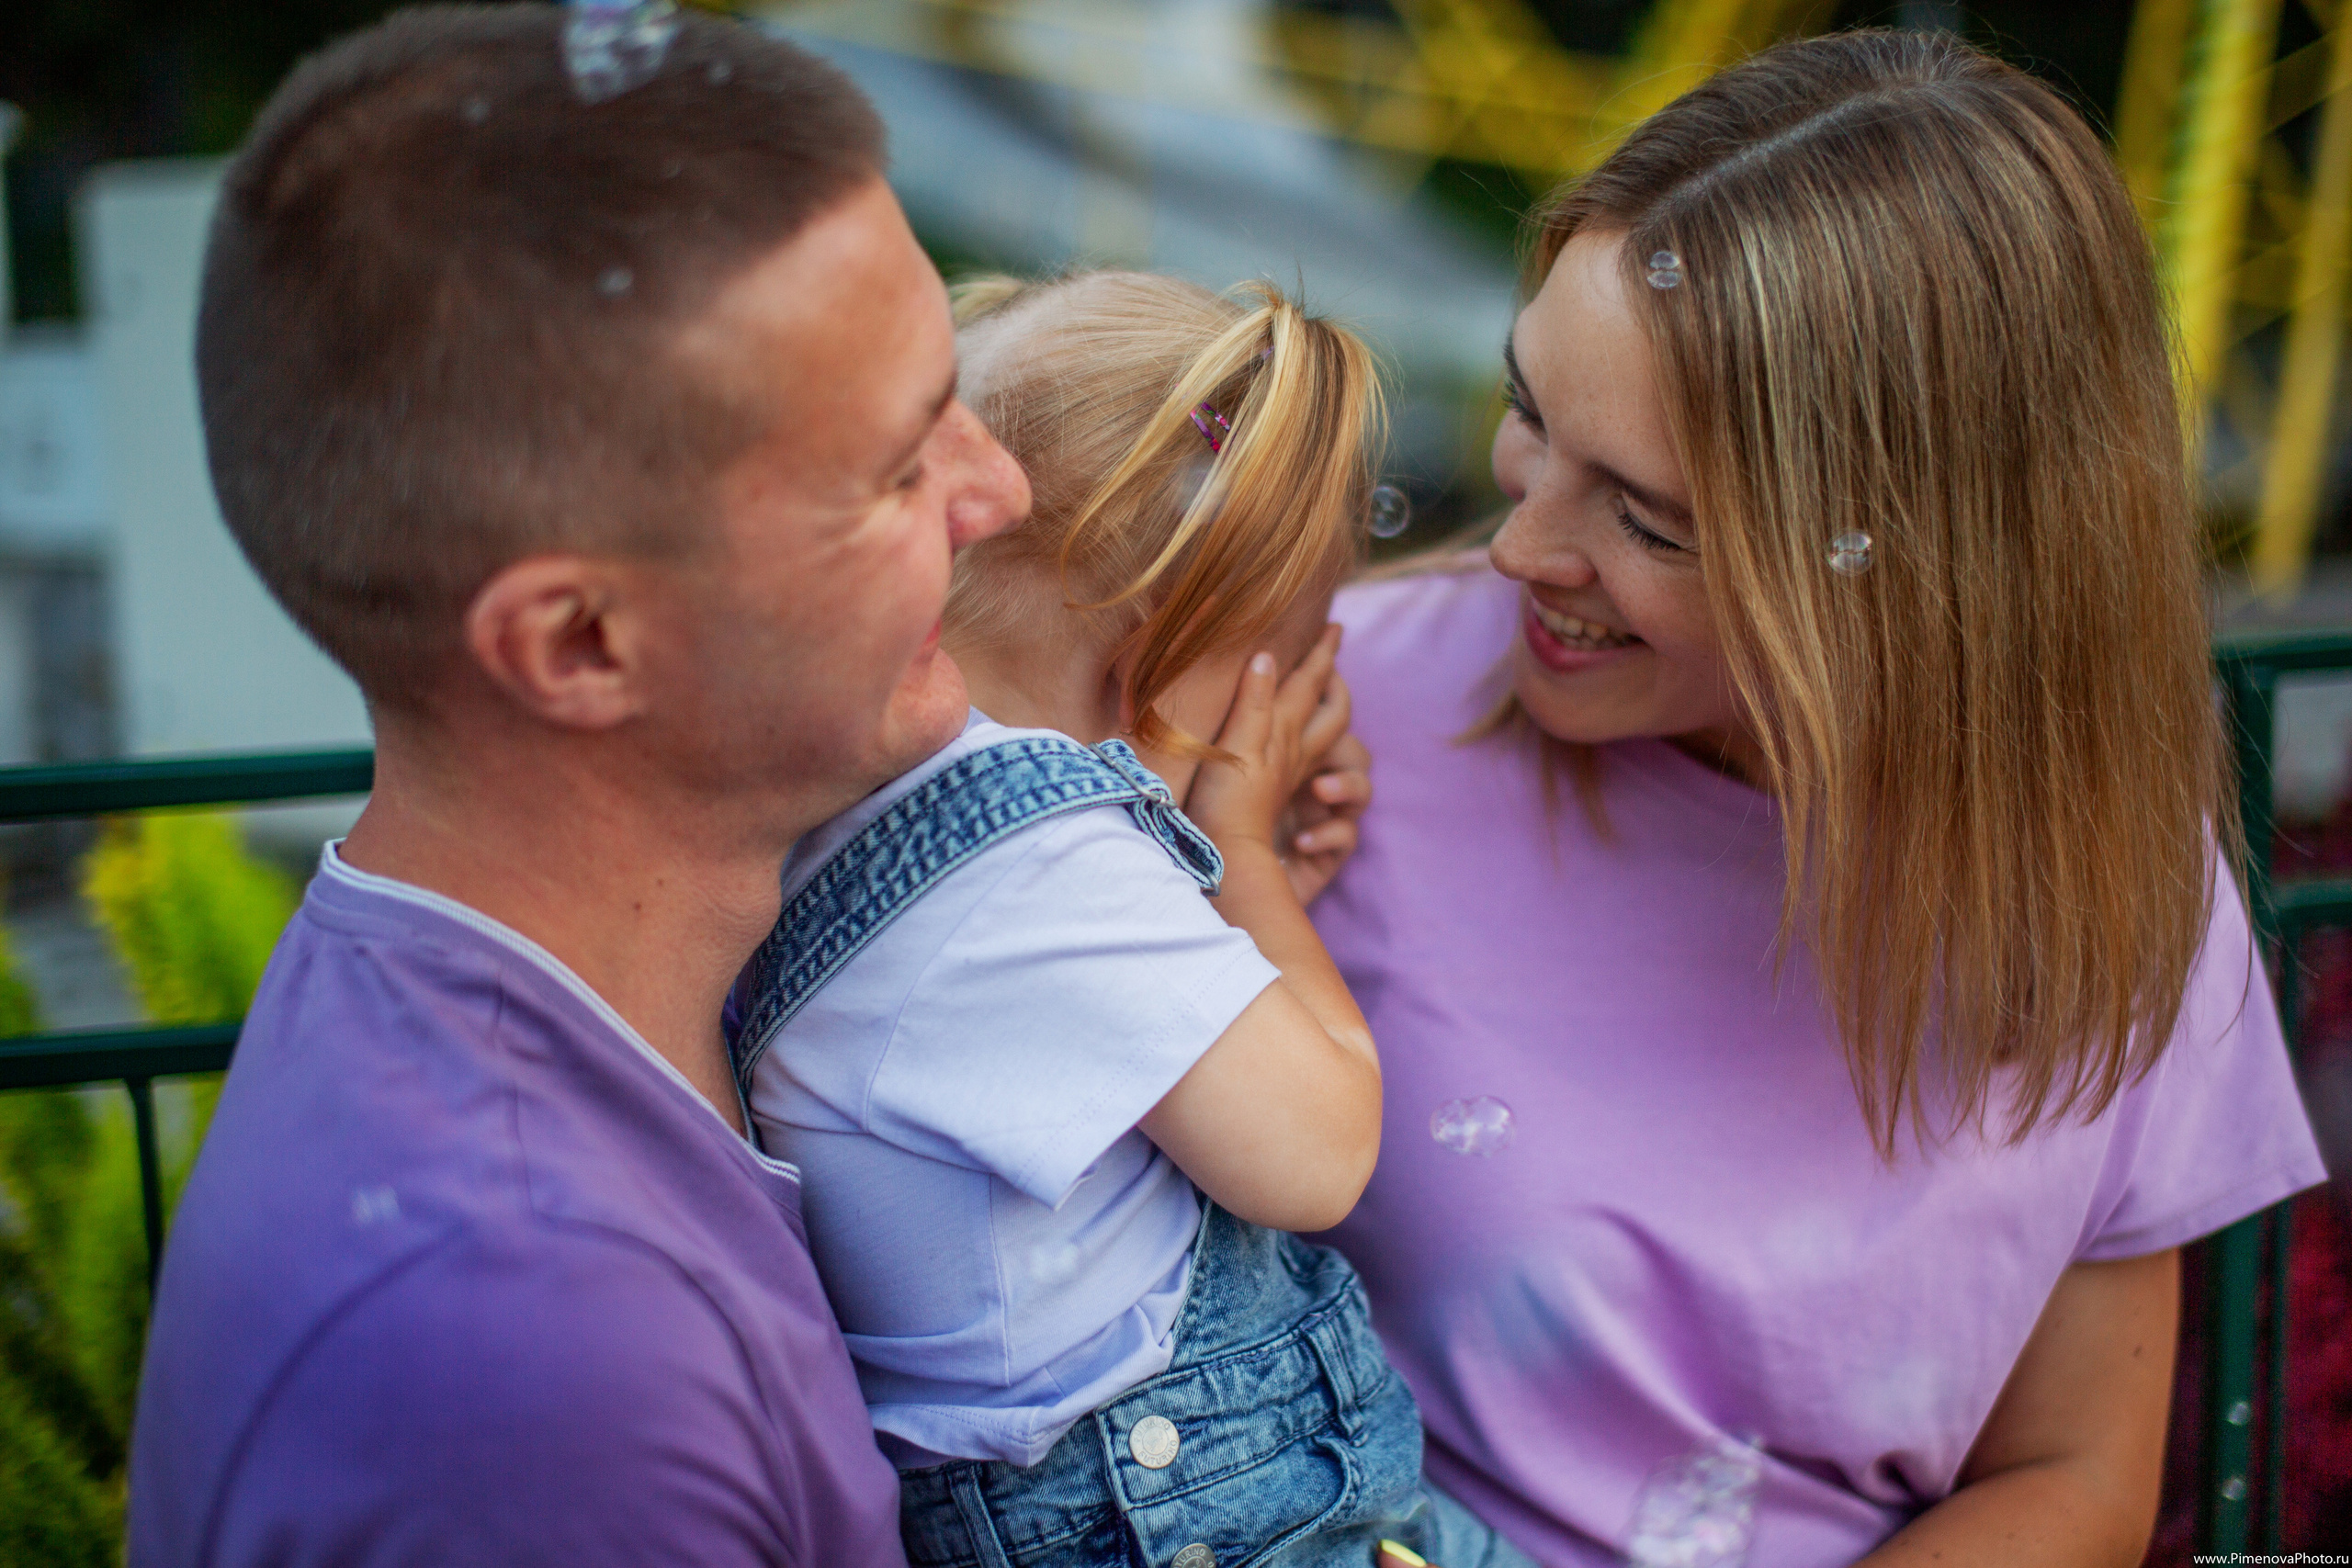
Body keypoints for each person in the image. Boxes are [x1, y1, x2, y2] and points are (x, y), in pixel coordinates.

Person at [1308, 29, 2328, 1568]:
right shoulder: (1328, 721)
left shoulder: (2123, 884)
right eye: (1530, 415)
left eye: (1649, 519)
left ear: (1915, 573)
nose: (1521, 549)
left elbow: (2072, 1482)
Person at [126, 7, 1029, 1564]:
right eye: (896, 468)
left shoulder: (522, 993)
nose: (998, 488)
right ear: (581, 642)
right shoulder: (536, 1356)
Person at [736, 271, 1524, 1568]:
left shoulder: (880, 806)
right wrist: (1252, 863)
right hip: (1190, 1521)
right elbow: (1322, 1153)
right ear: (1162, 652)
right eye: (1288, 657)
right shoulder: (1057, 878)